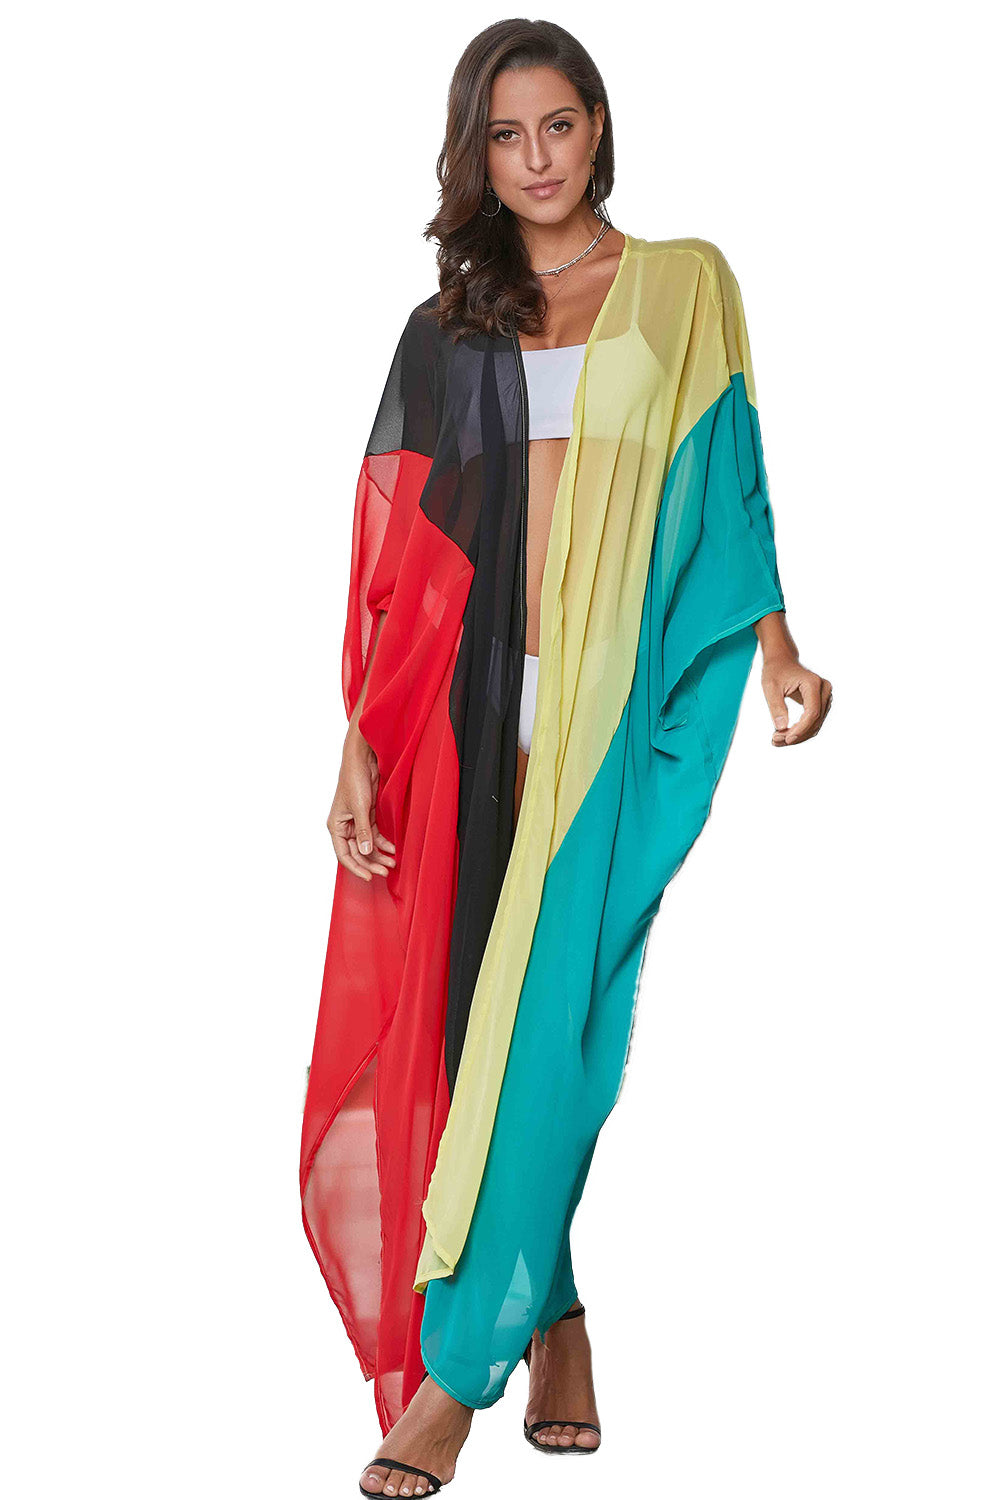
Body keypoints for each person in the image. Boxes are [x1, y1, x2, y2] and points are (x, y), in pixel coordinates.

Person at [299, 18, 833, 1497]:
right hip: (461, 717)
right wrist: (356, 742)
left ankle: (456, 1379)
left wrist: (778, 646)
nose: (536, 159)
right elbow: (396, 564)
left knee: (554, 1031)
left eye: (559, 124)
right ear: (474, 153)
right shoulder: (448, 325)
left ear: (599, 127)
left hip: (609, 712)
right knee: (480, 1030)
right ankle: (563, 1317)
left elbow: (730, 480)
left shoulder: (682, 284)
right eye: (505, 134)